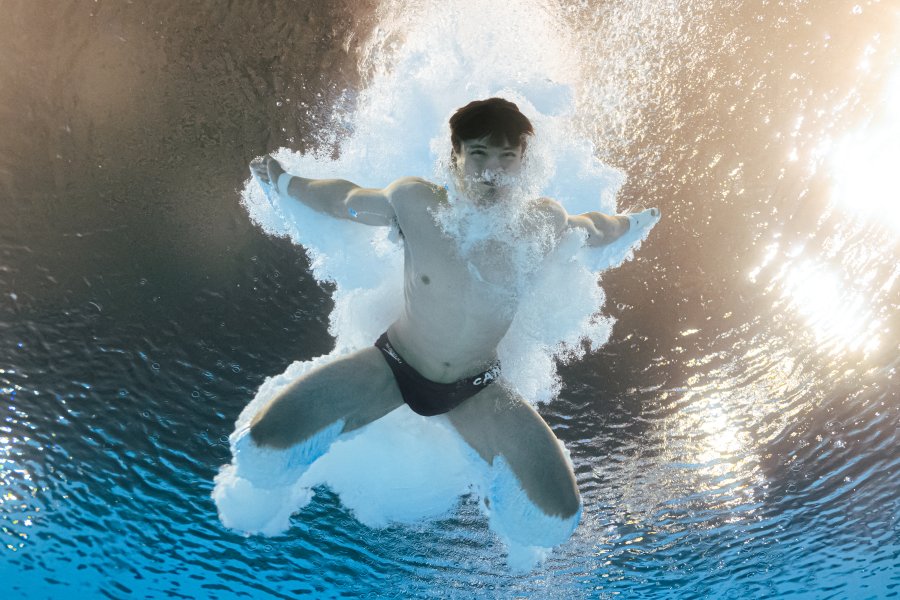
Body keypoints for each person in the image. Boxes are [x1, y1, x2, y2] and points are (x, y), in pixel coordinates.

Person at [245, 98, 657, 546]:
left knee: (558, 516)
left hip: (478, 388)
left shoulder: (542, 223)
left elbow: (595, 229)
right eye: (478, 155)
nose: (491, 172)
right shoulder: (415, 203)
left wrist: (632, 224)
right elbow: (343, 200)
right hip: (391, 367)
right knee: (261, 447)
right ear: (455, 157)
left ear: (524, 163)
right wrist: (284, 182)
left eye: (506, 158)